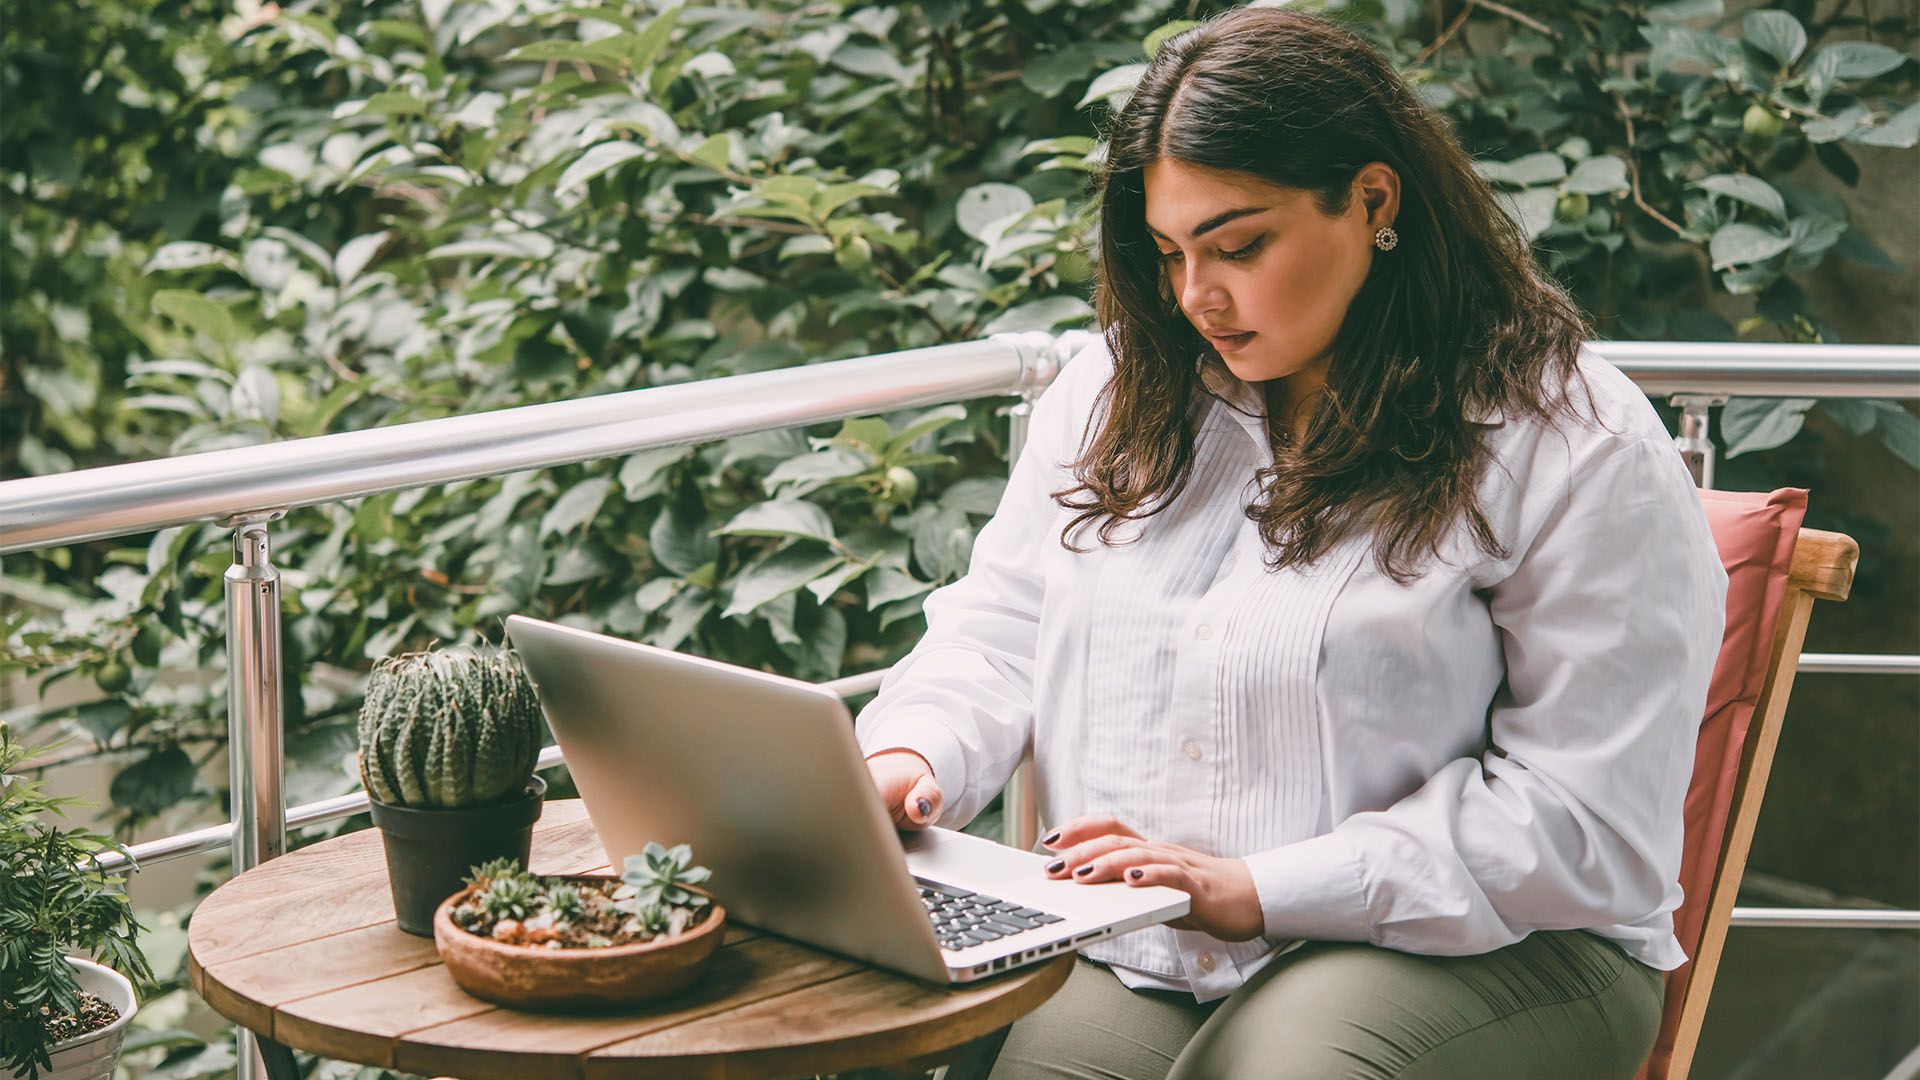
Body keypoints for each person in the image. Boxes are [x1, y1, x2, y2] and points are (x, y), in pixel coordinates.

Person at [856, 8, 1728, 1079]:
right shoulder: (1117, 388)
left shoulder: (1571, 439)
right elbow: (1000, 632)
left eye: (1238, 247)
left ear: (1373, 201)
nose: (1196, 297)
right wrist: (912, 755)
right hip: (1158, 938)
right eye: (1169, 253)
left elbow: (1582, 821)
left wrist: (1259, 888)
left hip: (1513, 940)